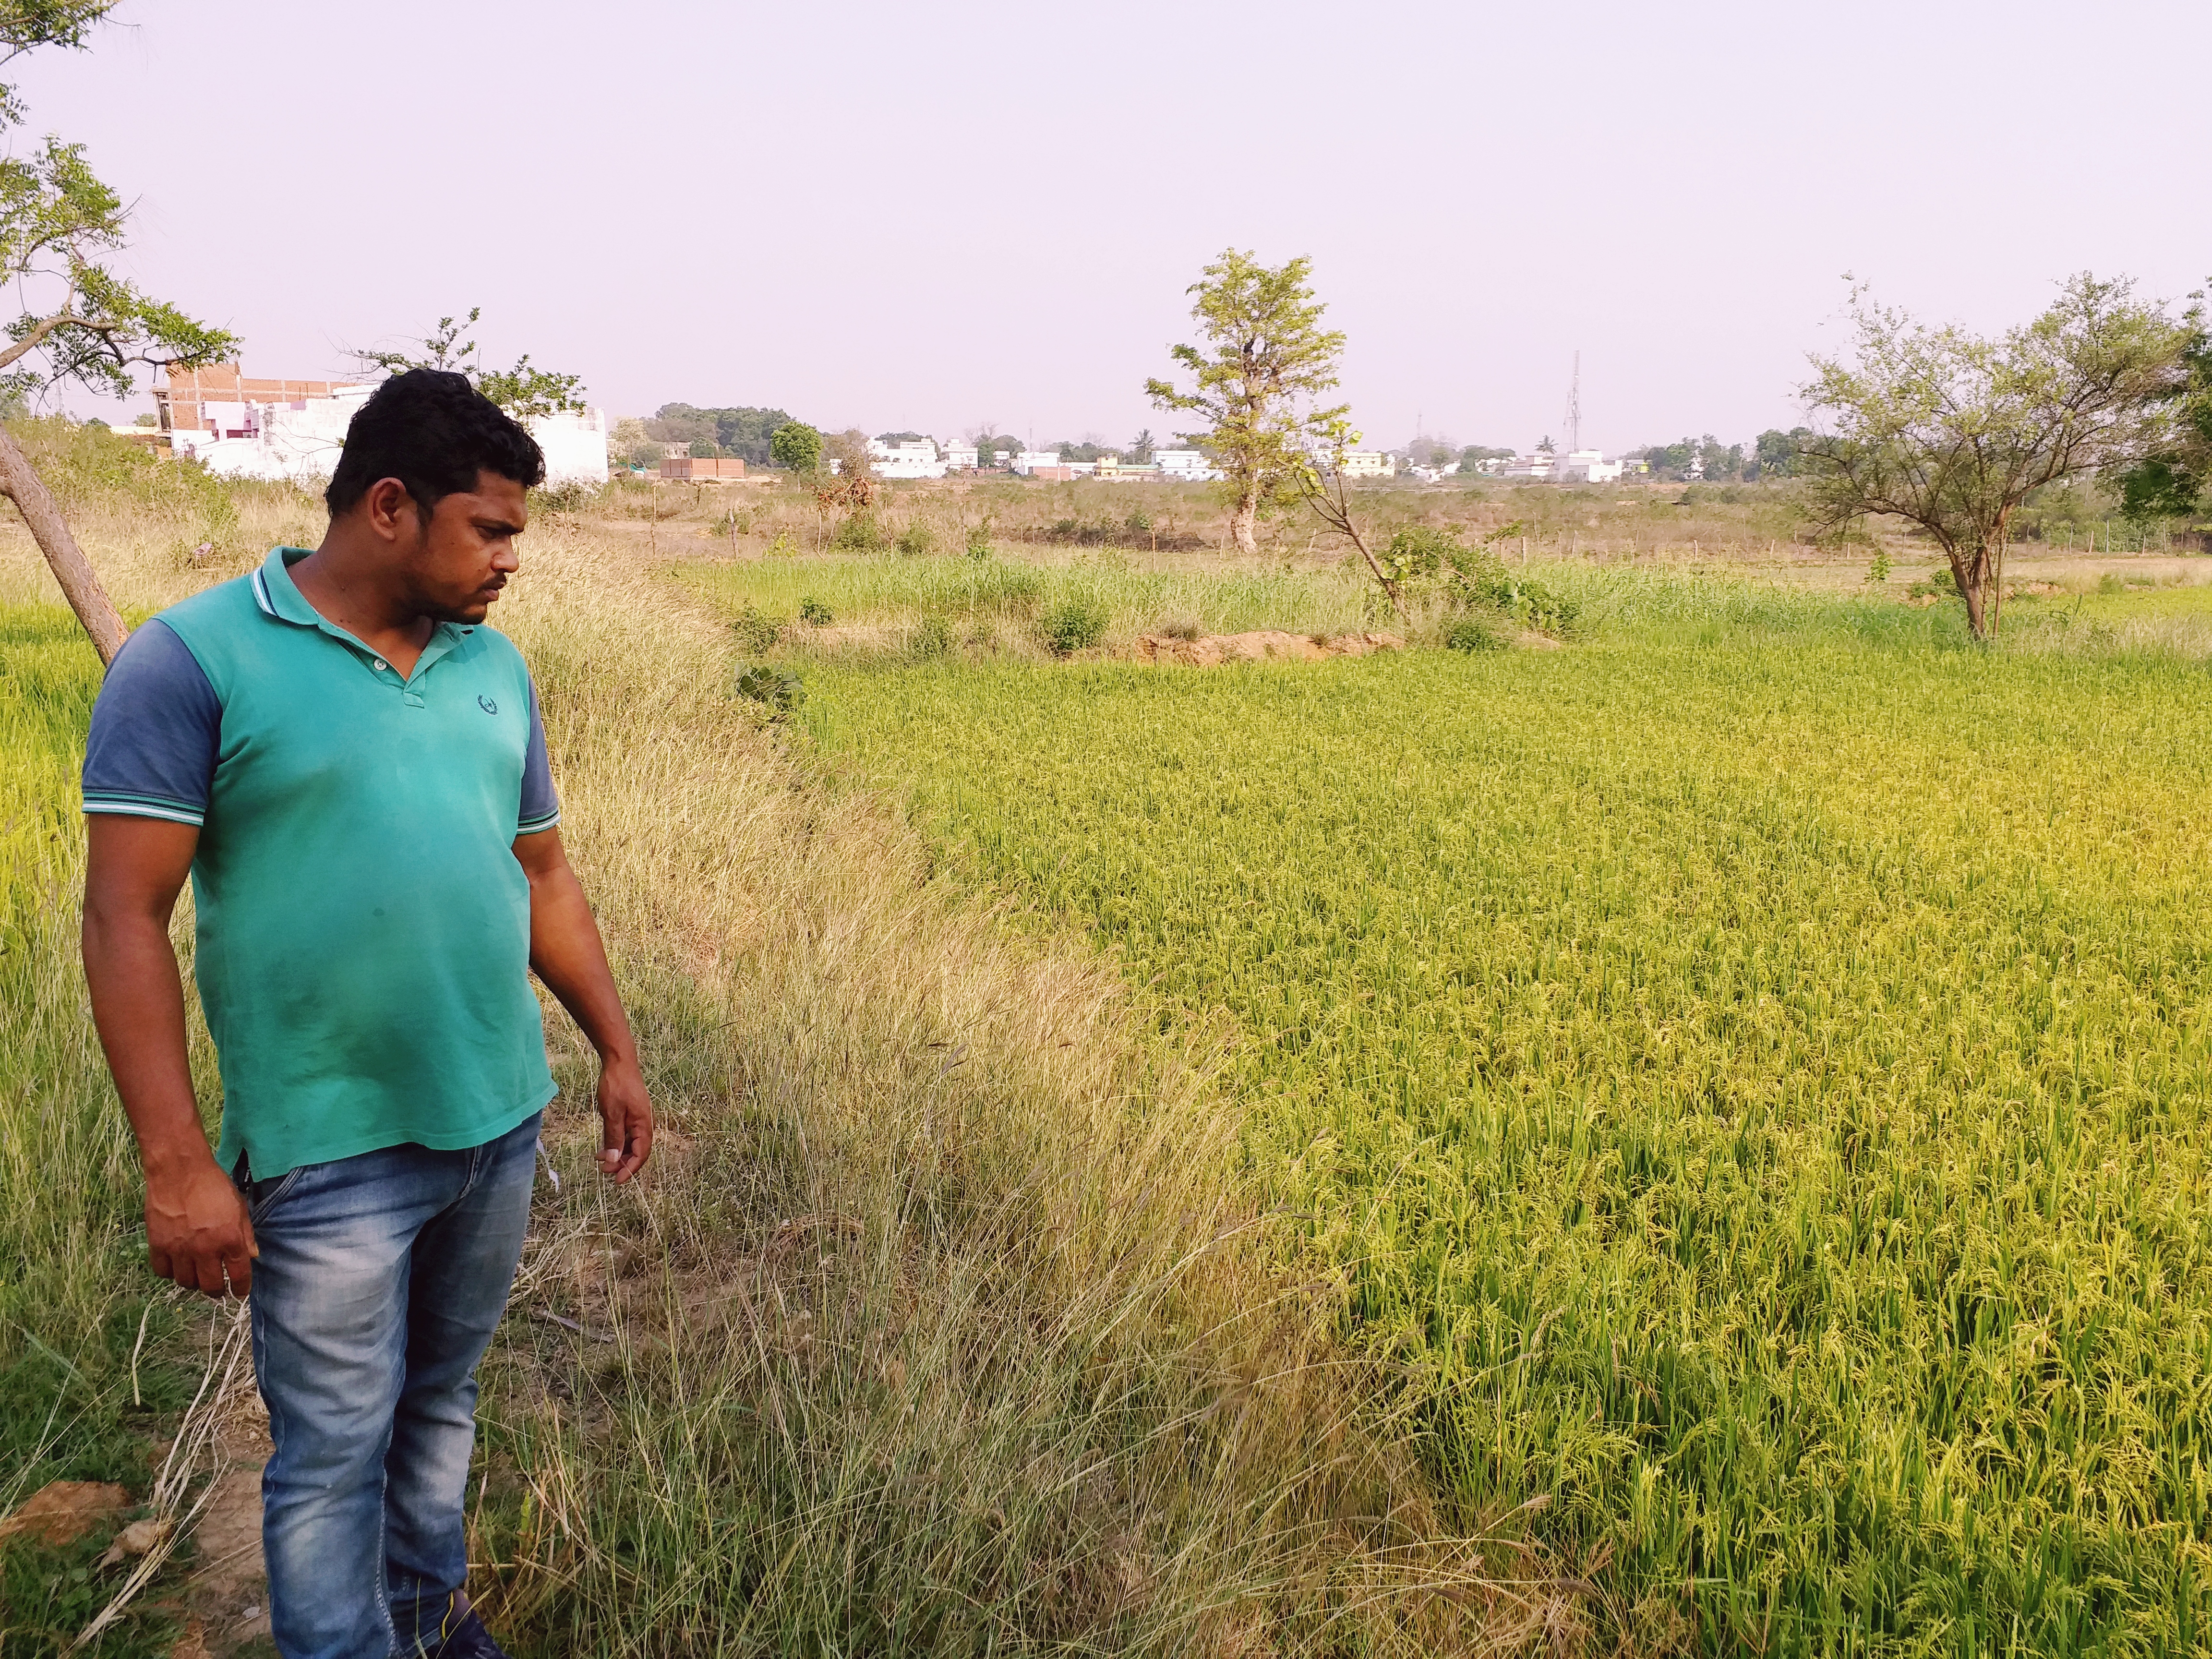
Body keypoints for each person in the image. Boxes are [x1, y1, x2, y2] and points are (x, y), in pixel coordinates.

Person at [79, 370, 653, 1659]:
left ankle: (423, 1619)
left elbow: (542, 872)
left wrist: (614, 1047)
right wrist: (178, 1166)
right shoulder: (196, 661)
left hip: (497, 1124)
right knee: (334, 1451)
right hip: (329, 1154)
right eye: (491, 529)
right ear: (390, 506)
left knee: (440, 1406)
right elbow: (124, 918)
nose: (513, 561)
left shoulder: (493, 666)